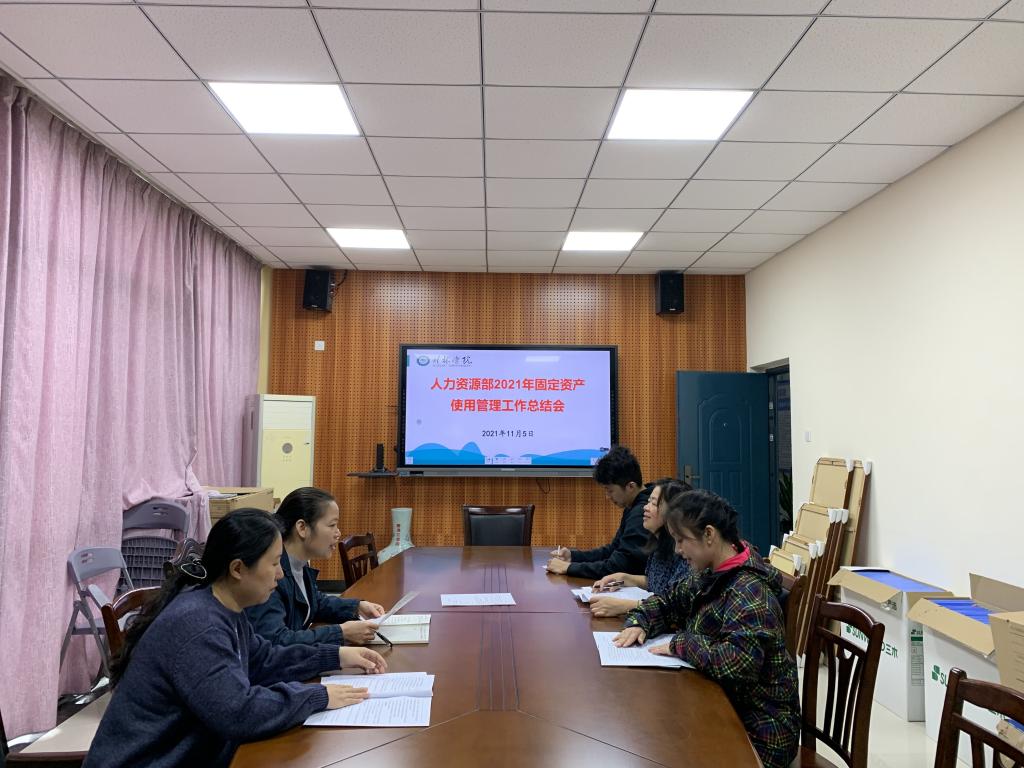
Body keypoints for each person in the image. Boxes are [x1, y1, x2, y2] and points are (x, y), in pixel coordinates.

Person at [84, 508, 388, 768]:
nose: (280, 575)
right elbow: (238, 712)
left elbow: (263, 660)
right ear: (238, 569)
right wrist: (317, 696)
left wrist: (334, 655)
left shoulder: (224, 607)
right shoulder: (198, 624)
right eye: (274, 564)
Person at [613, 489, 799, 768]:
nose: (677, 550)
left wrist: (682, 643)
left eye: (681, 540)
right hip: (724, 707)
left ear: (709, 534)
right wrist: (640, 622)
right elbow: (667, 601)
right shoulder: (712, 572)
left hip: (760, 734)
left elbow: (737, 664)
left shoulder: (749, 591)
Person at [247, 487, 384, 646]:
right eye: (332, 525)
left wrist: (357, 607)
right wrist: (340, 633)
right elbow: (276, 641)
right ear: (302, 528)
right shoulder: (272, 575)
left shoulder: (299, 563)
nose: (338, 533)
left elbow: (313, 602)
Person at [587, 479, 692, 618]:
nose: (645, 508)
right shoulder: (658, 544)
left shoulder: (685, 553)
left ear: (674, 512)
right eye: (648, 502)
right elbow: (654, 582)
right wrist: (624, 578)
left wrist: (626, 606)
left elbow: (677, 606)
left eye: (654, 503)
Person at [545, 445, 651, 579]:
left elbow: (617, 567)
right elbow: (613, 550)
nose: (607, 496)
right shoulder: (634, 504)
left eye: (610, 490)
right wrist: (574, 556)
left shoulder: (641, 512)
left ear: (631, 486)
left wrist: (568, 568)